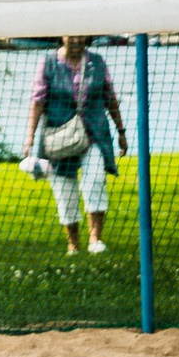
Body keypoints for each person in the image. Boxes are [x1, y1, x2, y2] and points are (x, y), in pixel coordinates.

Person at [24, 34, 128, 255]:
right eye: (72, 37)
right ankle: (73, 244)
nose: (77, 41)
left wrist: (121, 131)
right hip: (59, 136)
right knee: (64, 190)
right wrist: (30, 138)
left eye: (81, 37)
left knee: (95, 181)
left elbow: (110, 97)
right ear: (63, 37)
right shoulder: (48, 63)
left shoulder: (97, 62)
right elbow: (38, 101)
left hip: (93, 134)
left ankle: (95, 239)